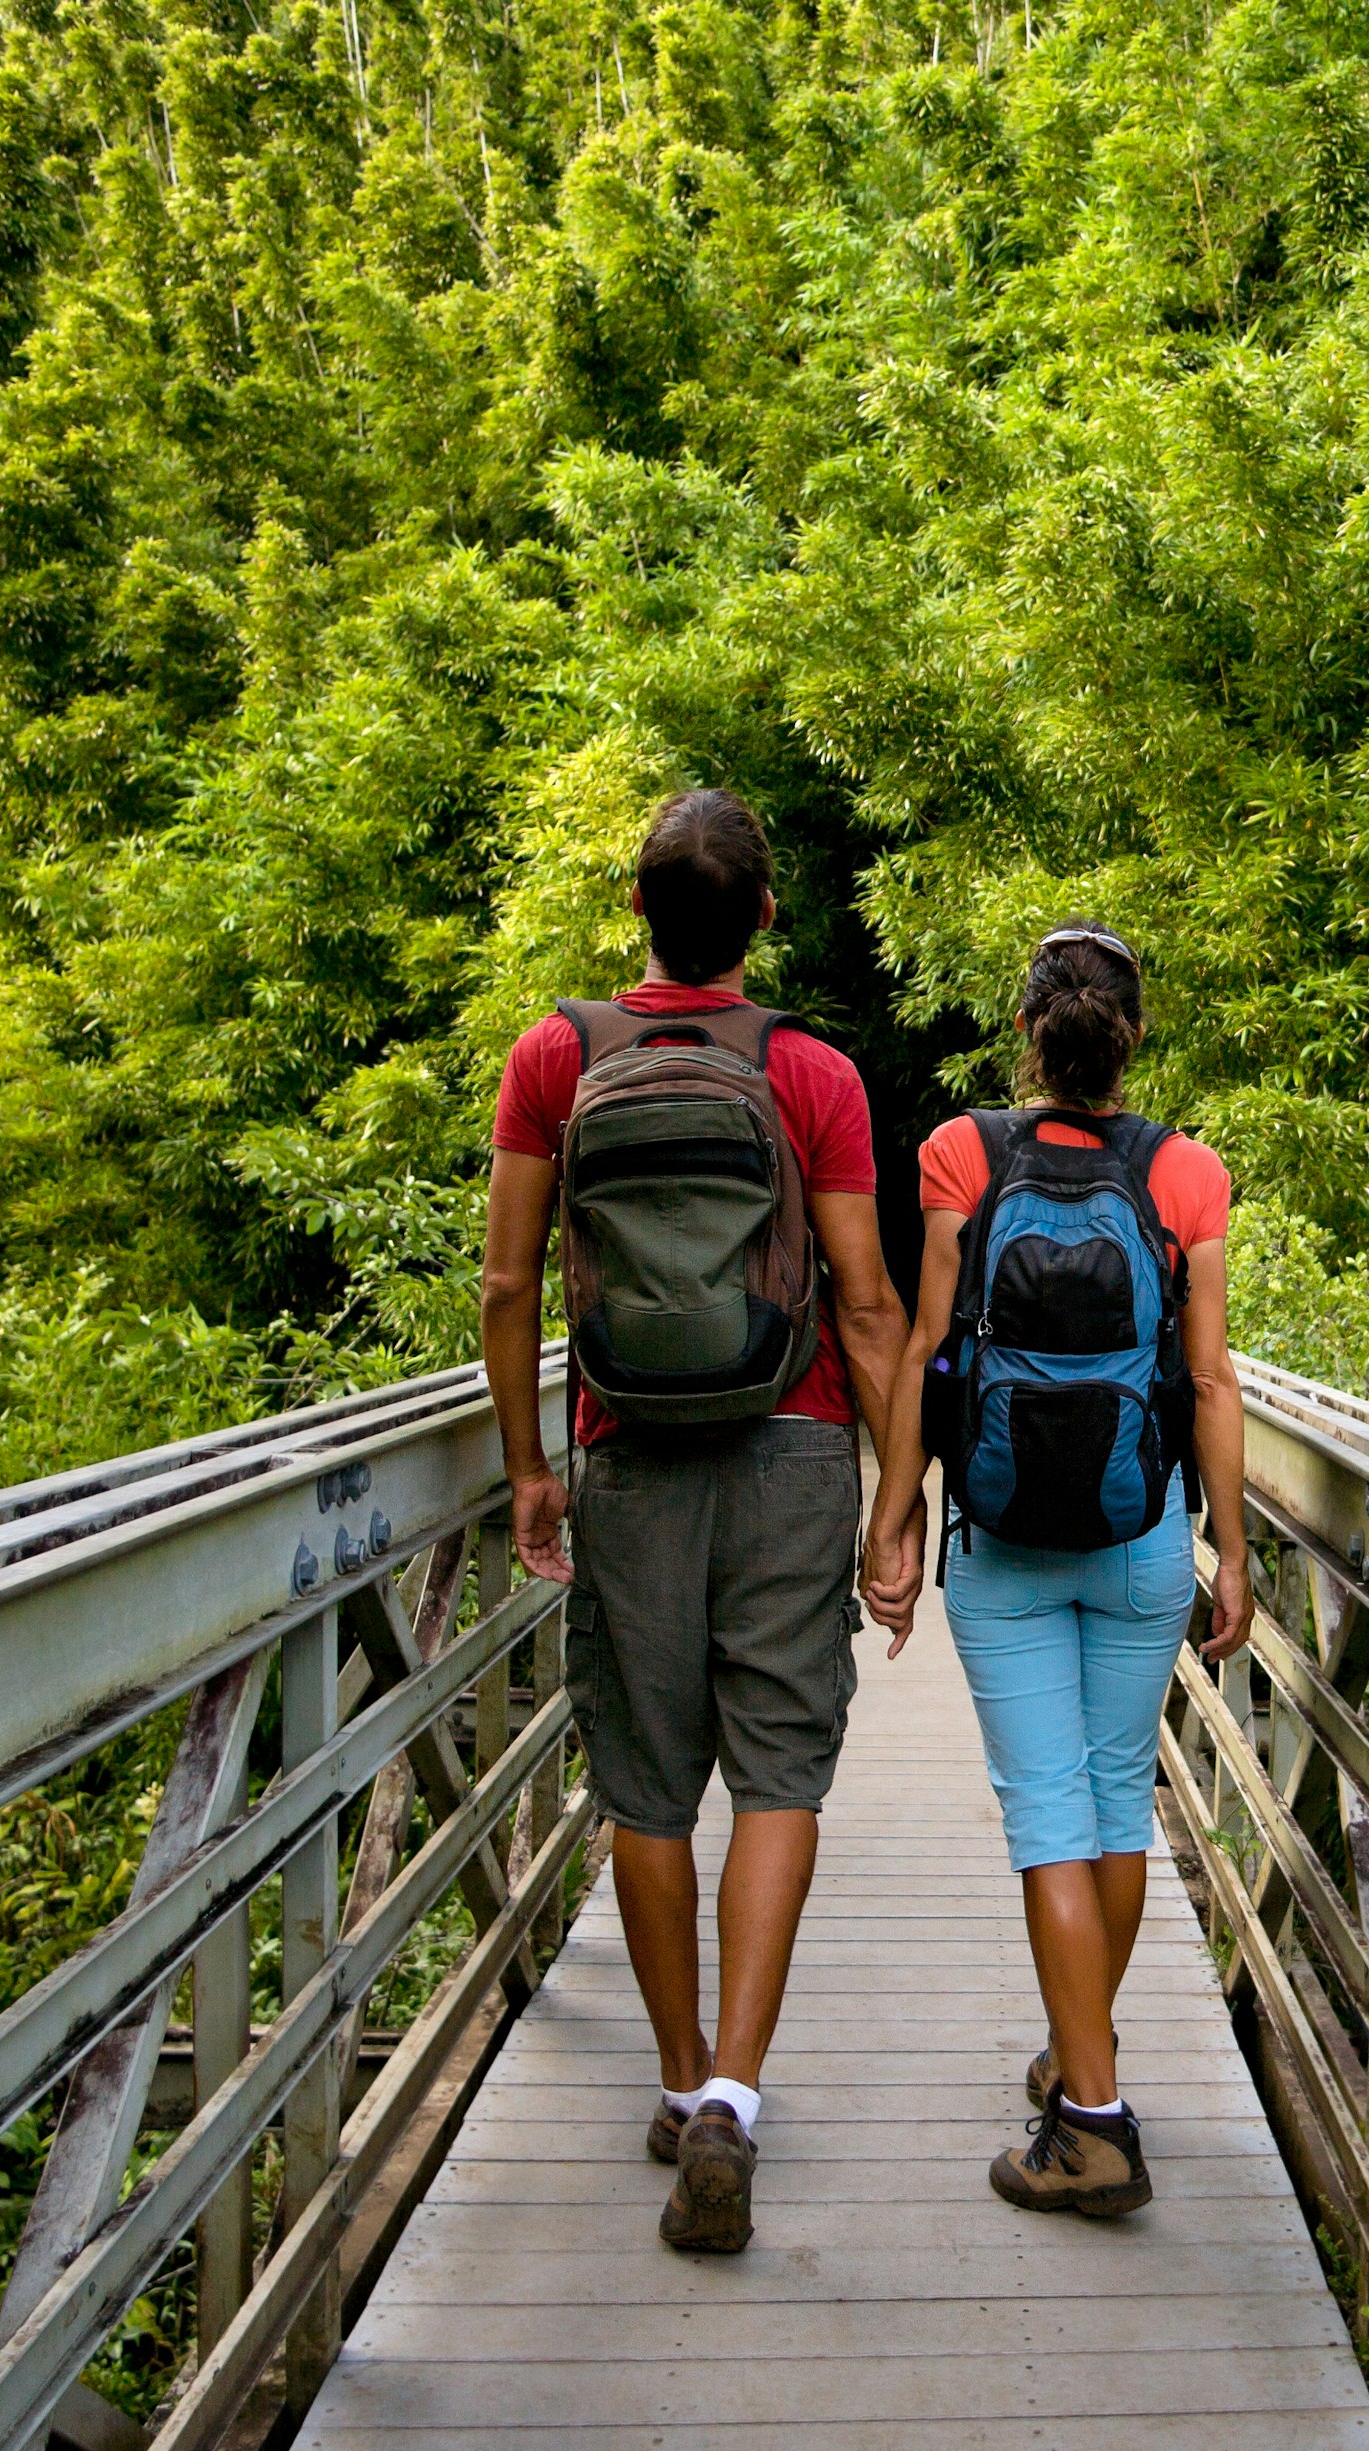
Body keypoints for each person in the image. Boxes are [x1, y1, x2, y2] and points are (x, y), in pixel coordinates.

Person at [479, 788, 922, 2254]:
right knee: (780, 1772)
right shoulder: (812, 1073)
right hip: (791, 1450)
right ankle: (737, 2086)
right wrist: (893, 1505)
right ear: (766, 920)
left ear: (635, 912)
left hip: (627, 1453)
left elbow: (506, 1284)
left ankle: (675, 2083)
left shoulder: (556, 1055)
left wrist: (531, 1468)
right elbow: (867, 1305)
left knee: (648, 1781)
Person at [861, 921, 1253, 2218]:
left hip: (1005, 1541)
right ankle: (1082, 2047)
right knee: (1108, 1804)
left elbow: (927, 1345)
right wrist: (1232, 1550)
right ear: (1131, 1037)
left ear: (1027, 1032)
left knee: (1046, 1820)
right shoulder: (1189, 1175)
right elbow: (1205, 1379)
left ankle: (1092, 2123)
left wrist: (894, 1518)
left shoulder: (961, 1152)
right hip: (1142, 1536)